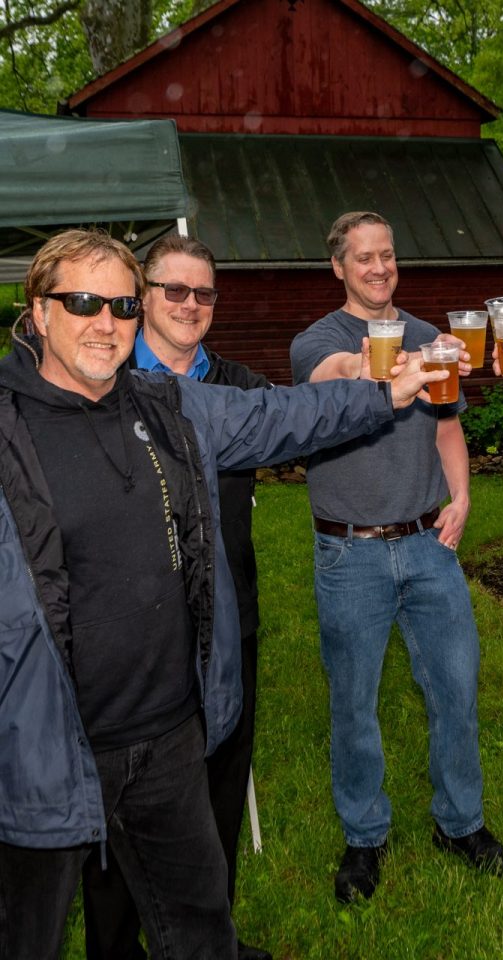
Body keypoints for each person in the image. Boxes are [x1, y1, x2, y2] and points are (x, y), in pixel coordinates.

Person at [0, 228, 442, 960]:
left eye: (119, 305)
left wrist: (381, 393)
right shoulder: (8, 427)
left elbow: (283, 418)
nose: (105, 324)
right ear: (39, 312)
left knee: (201, 933)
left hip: (169, 736)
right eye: (81, 303)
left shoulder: (170, 405)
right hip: (43, 748)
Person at [289, 210, 503, 905]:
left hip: (427, 547)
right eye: (364, 258)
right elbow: (336, 375)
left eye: (387, 255)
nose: (379, 267)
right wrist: (395, 362)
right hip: (349, 553)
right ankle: (364, 838)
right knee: (353, 705)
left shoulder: (431, 336)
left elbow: (446, 428)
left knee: (456, 692)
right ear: (339, 268)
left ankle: (461, 823)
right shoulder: (316, 341)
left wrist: (464, 496)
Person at [82, 235, 272, 960]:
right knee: (125, 807)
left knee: (219, 789)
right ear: (143, 297)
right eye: (175, 291)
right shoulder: (106, 381)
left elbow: (303, 414)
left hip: (228, 625)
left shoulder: (239, 386)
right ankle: (115, 946)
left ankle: (207, 939)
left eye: (205, 294)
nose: (191, 305)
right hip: (137, 634)